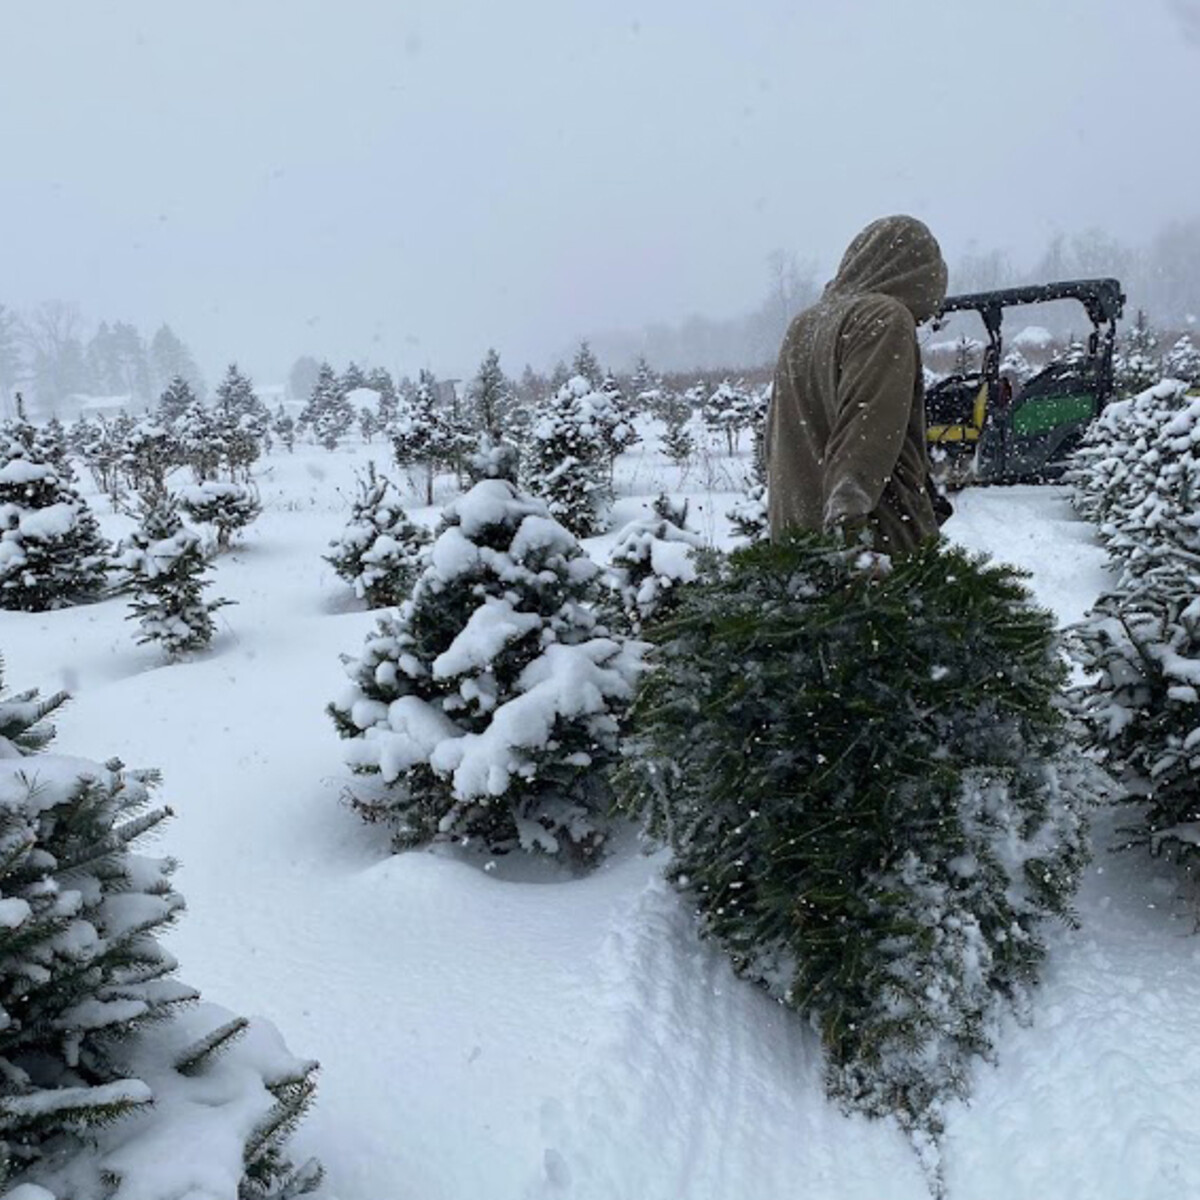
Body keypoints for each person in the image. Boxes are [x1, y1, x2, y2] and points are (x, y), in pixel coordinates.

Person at [765, 215, 950, 555]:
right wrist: (847, 532)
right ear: (911, 271)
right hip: (876, 548)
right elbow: (867, 431)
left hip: (796, 542)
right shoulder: (885, 317)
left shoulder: (805, 324)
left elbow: (778, 437)